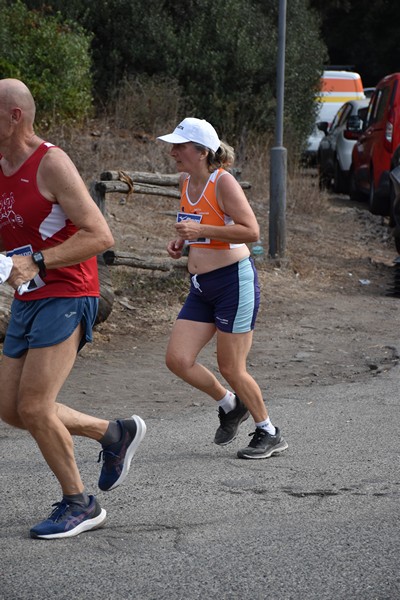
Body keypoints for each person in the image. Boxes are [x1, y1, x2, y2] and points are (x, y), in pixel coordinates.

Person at [0, 78, 146, 540]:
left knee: (36, 405)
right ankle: (113, 433)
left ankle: (80, 503)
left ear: (14, 115)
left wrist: (37, 260)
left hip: (68, 293)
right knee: (11, 408)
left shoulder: (51, 163)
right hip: (28, 298)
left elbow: (100, 236)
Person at [157, 117, 288, 459]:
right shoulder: (186, 182)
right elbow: (196, 226)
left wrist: (201, 234)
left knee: (232, 367)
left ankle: (268, 431)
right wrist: (180, 243)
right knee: (178, 359)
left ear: (201, 152)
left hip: (234, 283)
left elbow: (251, 232)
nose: (173, 152)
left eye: (180, 146)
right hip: (201, 285)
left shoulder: (223, 183)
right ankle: (230, 404)